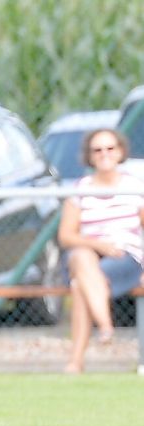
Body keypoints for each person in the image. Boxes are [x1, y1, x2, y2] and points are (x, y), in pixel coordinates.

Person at [57, 129, 144, 374]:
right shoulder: (80, 189)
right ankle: (105, 324)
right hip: (90, 255)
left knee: (79, 285)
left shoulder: (135, 188)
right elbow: (66, 235)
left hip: (125, 257)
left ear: (120, 152)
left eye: (109, 149)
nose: (104, 154)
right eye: (98, 150)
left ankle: (76, 361)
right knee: (81, 256)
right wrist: (98, 245)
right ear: (90, 156)